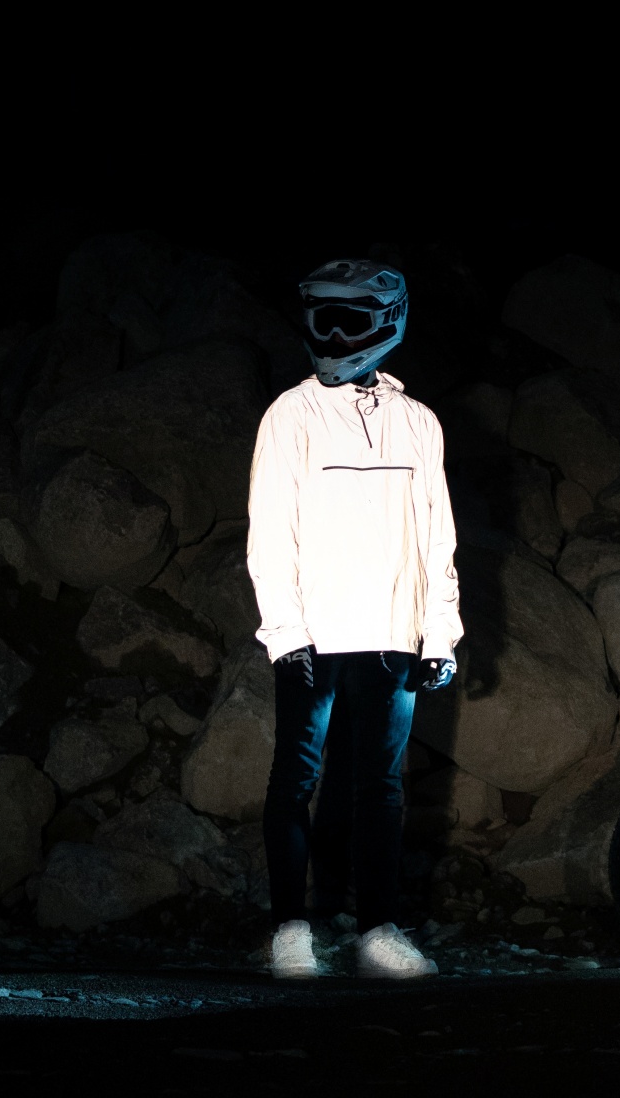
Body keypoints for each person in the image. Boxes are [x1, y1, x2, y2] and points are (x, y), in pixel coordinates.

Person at [248, 259, 461, 979]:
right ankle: (290, 930)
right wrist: (286, 630)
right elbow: (270, 531)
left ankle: (378, 933)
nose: (335, 336)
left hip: (391, 635)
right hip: (314, 637)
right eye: (323, 320)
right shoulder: (291, 414)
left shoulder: (418, 422)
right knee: (295, 782)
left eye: (351, 321)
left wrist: (440, 634)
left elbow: (437, 538)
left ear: (387, 323)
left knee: (380, 789)